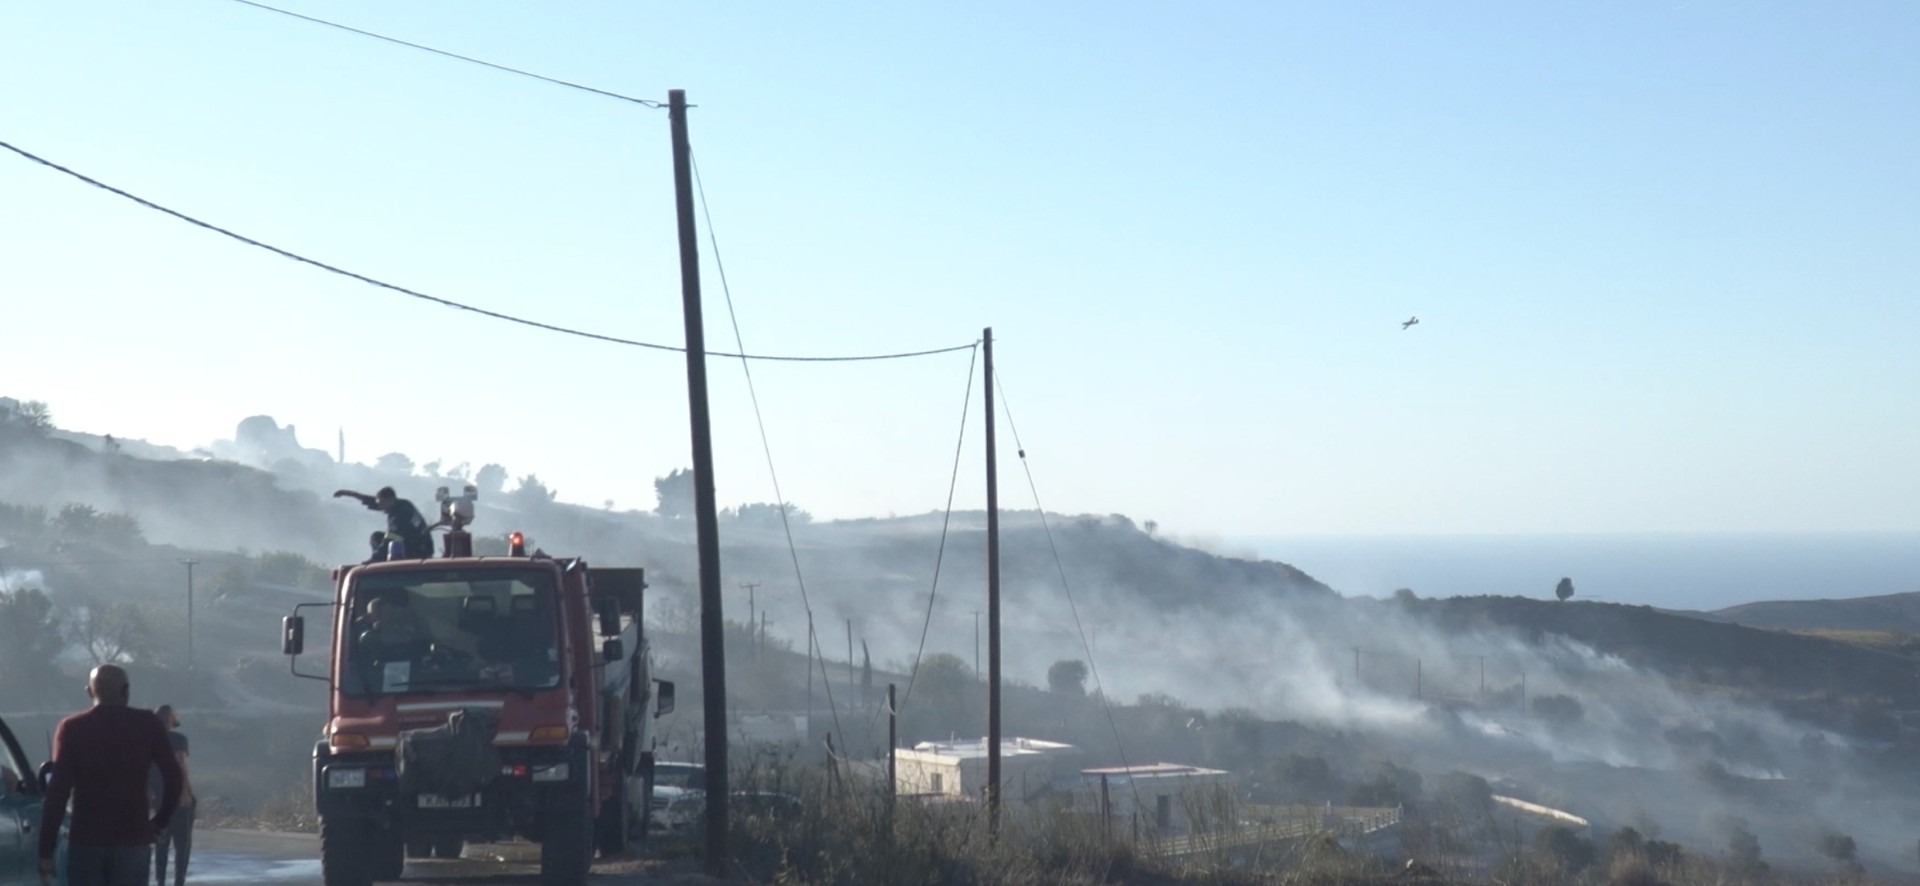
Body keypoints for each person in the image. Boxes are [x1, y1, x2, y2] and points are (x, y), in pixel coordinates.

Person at [39, 665, 182, 886]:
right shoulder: (148, 724)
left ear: (89, 691)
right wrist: (159, 822)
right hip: (133, 837)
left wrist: (45, 851)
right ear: (126, 690)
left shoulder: (73, 728)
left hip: (86, 840)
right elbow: (174, 778)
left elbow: (57, 793)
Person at [147, 706, 194, 886]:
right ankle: (178, 881)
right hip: (176, 797)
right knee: (182, 846)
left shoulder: (148, 741)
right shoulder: (178, 740)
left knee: (161, 844)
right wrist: (185, 794)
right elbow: (181, 766)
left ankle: (161, 881)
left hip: (158, 799)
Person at [333, 486, 434, 559]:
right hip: (413, 543)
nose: (380, 508)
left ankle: (383, 561)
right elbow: (372, 501)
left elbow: (392, 537)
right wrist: (348, 493)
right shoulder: (401, 504)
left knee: (377, 538)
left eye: (382, 504)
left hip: (420, 549)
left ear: (390, 500)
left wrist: (374, 558)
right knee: (379, 537)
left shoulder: (400, 514)